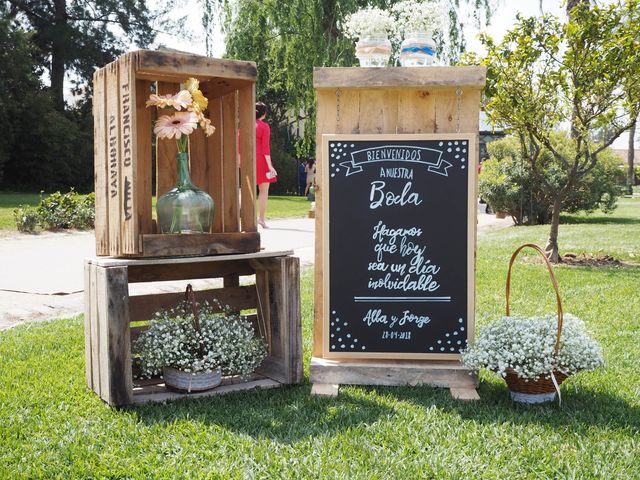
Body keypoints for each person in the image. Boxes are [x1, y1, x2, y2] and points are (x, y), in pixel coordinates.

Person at [255, 102, 277, 228]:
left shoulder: (245, 126)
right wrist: (270, 166)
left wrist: (240, 160)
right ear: (264, 113)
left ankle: (245, 217)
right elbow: (265, 148)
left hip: (249, 158)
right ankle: (261, 219)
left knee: (248, 190)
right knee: (263, 191)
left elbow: (239, 143)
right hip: (262, 160)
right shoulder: (264, 126)